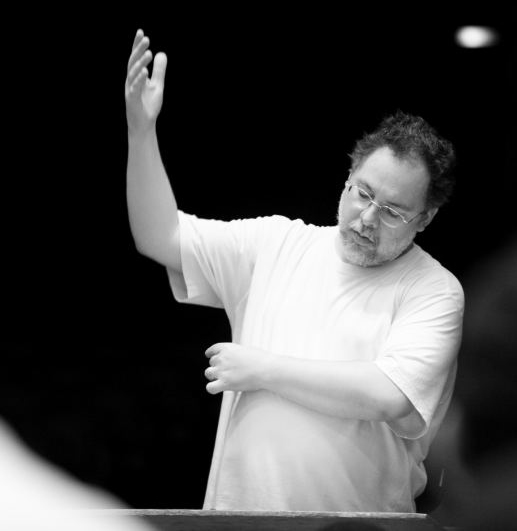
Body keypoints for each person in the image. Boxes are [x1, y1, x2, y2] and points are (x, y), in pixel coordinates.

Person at [125, 29, 464, 512]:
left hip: (359, 525)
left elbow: (389, 394)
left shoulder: (434, 290)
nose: (367, 218)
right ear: (348, 178)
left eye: (393, 211)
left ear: (425, 218)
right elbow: (159, 237)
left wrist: (262, 369)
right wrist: (141, 131)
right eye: (363, 194)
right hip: (237, 517)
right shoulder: (278, 243)